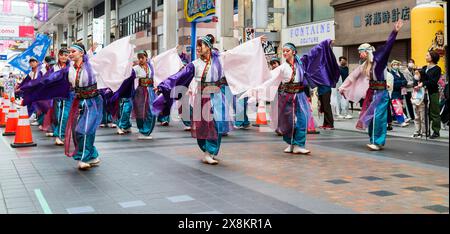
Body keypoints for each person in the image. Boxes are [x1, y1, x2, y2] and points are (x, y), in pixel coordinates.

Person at [153, 35, 270, 165]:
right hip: (202, 98)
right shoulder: (194, 65)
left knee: (216, 125)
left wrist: (255, 42)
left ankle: (210, 152)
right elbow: (178, 77)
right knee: (205, 127)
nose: (197, 48)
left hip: (218, 97)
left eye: (200, 45)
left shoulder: (220, 59)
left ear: (208, 47)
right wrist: (163, 86)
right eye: (197, 45)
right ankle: (207, 151)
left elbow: (238, 53)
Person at [244, 40, 339, 155]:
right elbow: (269, 79)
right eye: (283, 51)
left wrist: (325, 42)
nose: (285, 53)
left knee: (303, 119)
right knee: (287, 122)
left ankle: (299, 144)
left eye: (287, 51)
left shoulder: (302, 63)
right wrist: (254, 92)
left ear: (293, 52)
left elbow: (313, 53)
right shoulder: (282, 67)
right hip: (286, 96)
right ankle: (291, 143)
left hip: (300, 95)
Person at [339, 20, 404, 151]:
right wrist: (343, 87)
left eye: (361, 51)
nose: (359, 54)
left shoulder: (379, 59)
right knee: (370, 116)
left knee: (379, 117)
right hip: (372, 92)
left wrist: (395, 32)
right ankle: (373, 140)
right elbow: (353, 76)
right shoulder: (365, 65)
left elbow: (388, 46)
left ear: (367, 51)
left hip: (382, 92)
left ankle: (377, 141)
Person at [417, 50, 442, 139]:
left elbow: (433, 82)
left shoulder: (437, 69)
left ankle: (436, 131)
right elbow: (420, 79)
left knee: (434, 111)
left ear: (432, 57)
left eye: (427, 55)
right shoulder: (424, 67)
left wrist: (423, 83)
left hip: (433, 92)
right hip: (422, 92)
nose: (426, 57)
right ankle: (425, 130)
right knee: (423, 111)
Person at [52, 48, 73, 145]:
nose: (64, 57)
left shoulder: (72, 65)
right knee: (61, 114)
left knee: (66, 115)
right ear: (58, 55)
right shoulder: (55, 67)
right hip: (59, 94)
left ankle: (60, 134)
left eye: (66, 55)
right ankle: (60, 135)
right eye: (62, 55)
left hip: (71, 93)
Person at [389, 60, 409, 127]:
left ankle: (403, 118)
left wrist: (401, 82)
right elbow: (393, 84)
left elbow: (405, 81)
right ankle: (401, 121)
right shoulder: (391, 74)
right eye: (394, 64)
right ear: (392, 66)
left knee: (398, 107)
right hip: (394, 93)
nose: (396, 66)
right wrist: (401, 82)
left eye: (397, 64)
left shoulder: (400, 73)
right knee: (397, 107)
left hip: (400, 93)